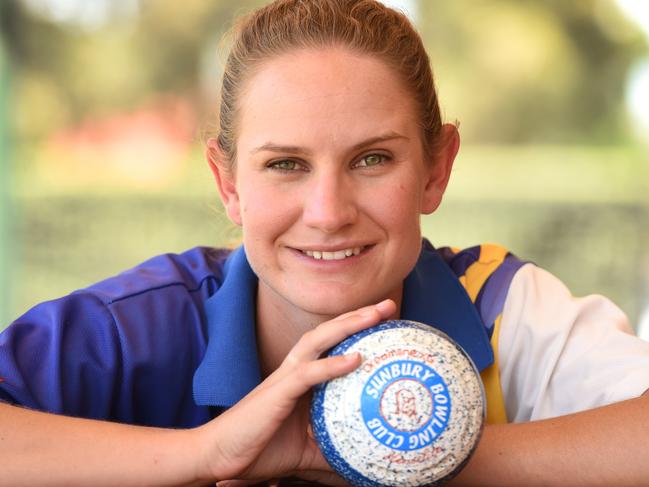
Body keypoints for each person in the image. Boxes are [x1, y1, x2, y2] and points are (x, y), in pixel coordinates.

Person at [2, 0, 649, 485]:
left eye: (371, 159)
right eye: (285, 164)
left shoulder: (505, 310)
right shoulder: (136, 328)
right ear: (227, 183)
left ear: (435, 169)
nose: (328, 211)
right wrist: (207, 451)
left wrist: (419, 452)